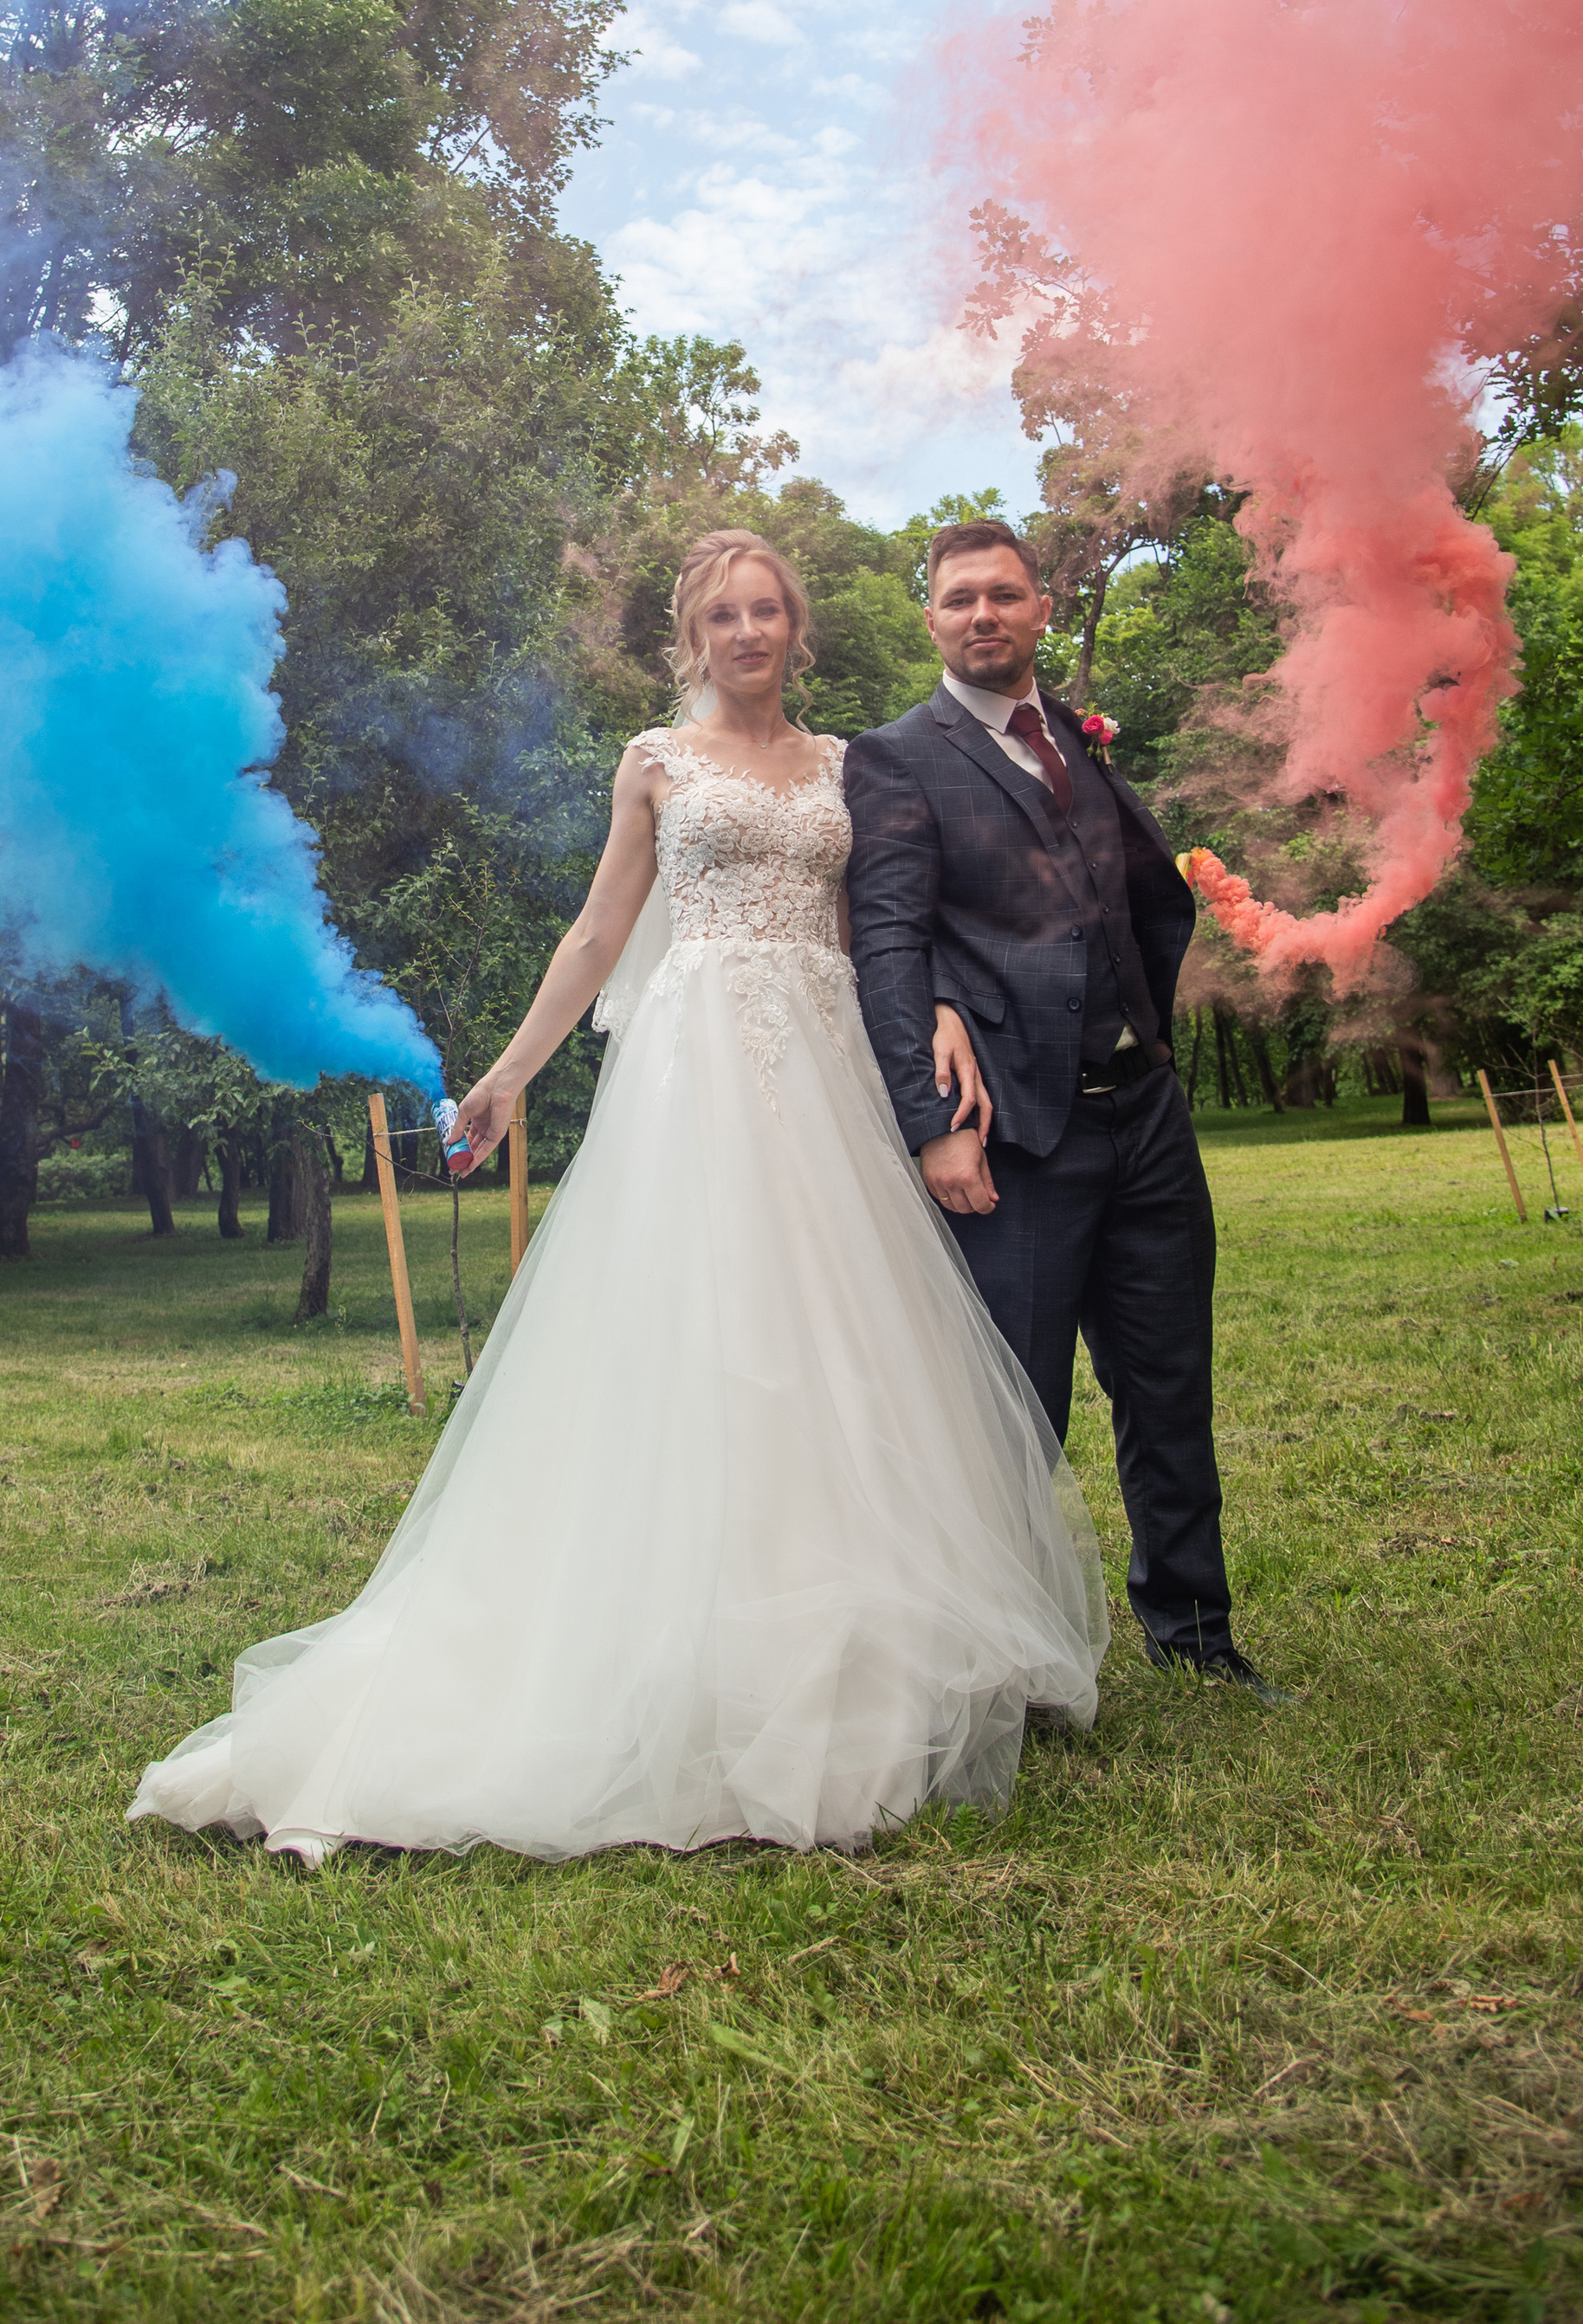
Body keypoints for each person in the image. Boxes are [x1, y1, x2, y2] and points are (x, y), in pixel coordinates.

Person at [128, 529, 1107, 1862]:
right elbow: (598, 931)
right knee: (707, 1337)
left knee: (843, 1343)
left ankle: (856, 1637)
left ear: (797, 629)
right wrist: (512, 1074)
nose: (749, 631)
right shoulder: (654, 763)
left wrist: (934, 1005)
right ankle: (675, 1646)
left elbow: (889, 922)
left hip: (829, 1066)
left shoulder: (848, 767)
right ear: (692, 635)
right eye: (724, 614)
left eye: (768, 610)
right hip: (699, 1067)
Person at [843, 516, 1286, 1698]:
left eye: (1003, 594)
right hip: (1014, 1136)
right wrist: (930, 1123)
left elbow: (1134, 902)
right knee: (1011, 1414)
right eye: (958, 600)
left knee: (1168, 1387)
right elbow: (888, 938)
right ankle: (996, 1664)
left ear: (1043, 608)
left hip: (1144, 1115)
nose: (982, 615)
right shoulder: (896, 757)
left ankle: (1196, 1637)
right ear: (929, 620)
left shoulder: (1079, 742)